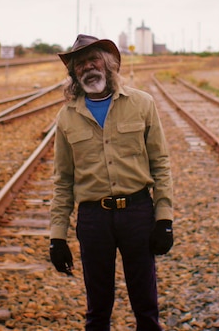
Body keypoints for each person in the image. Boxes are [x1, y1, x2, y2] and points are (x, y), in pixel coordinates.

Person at [49, 34, 174, 331]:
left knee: (145, 304)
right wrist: (57, 236)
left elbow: (161, 164)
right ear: (74, 74)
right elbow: (62, 180)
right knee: (98, 308)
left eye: (94, 60)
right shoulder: (66, 117)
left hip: (137, 213)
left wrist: (164, 218)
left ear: (108, 64)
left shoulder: (142, 104)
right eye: (80, 64)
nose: (88, 68)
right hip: (93, 219)